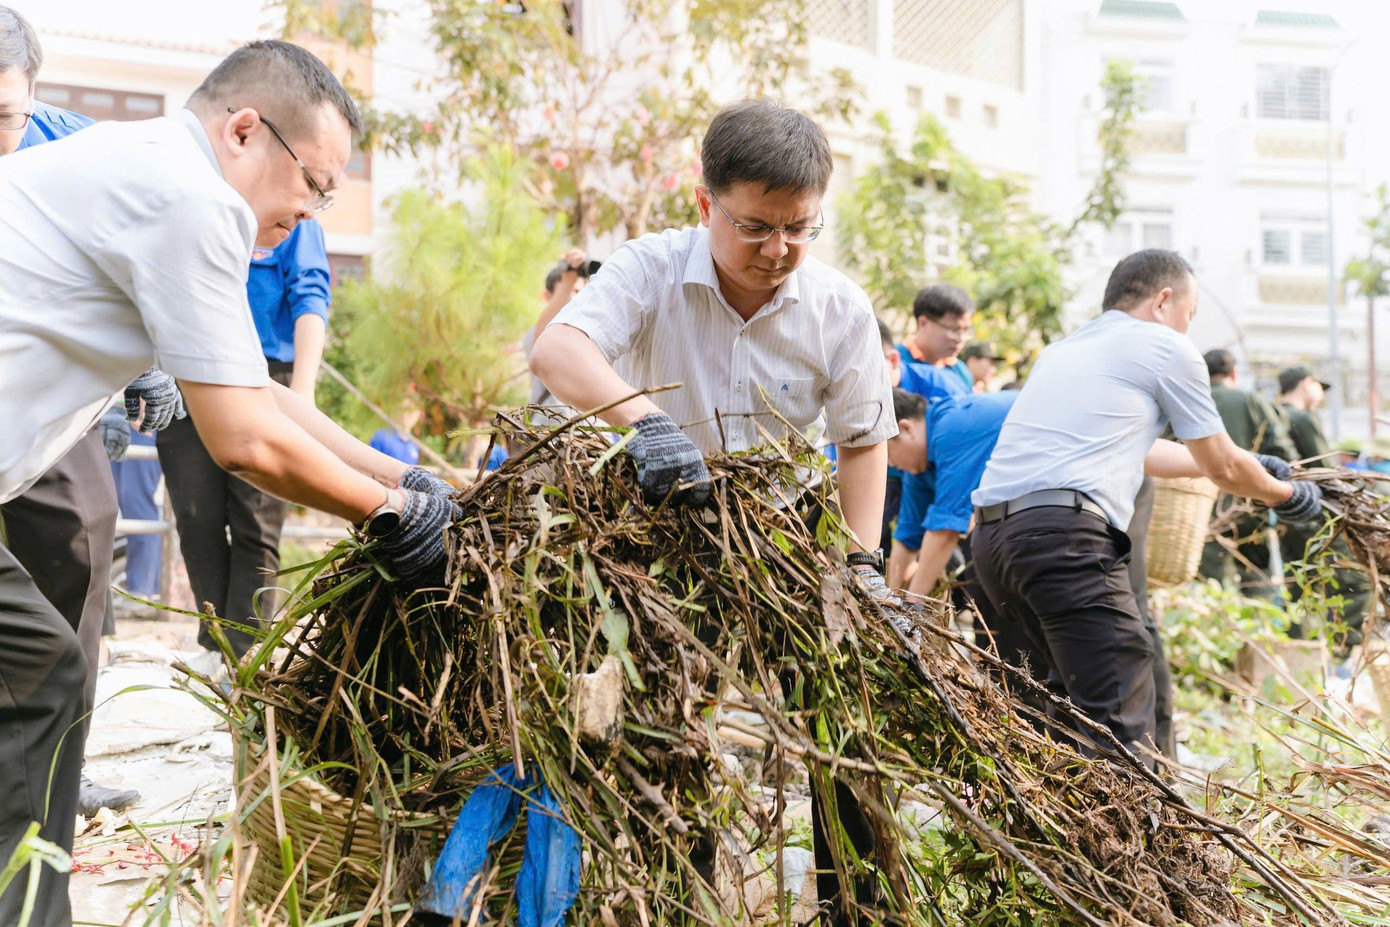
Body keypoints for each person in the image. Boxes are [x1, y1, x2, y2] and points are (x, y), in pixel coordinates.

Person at [0, 40, 459, 925]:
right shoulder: (192, 197)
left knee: (34, 671)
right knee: (42, 672)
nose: (311, 210)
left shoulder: (148, 167)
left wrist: (408, 477)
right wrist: (392, 517)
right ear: (245, 129)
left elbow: (264, 396)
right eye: (314, 184)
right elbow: (245, 440)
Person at [530, 99, 895, 926]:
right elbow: (557, 350)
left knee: (848, 724)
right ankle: (675, 901)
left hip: (777, 540)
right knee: (664, 735)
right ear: (706, 204)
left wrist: (862, 567)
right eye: (756, 226)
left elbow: (863, 440)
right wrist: (647, 426)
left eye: (799, 228)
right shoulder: (649, 269)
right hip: (653, 537)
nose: (778, 250)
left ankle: (856, 908)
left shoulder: (838, 308)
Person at [969, 250, 1321, 766]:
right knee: (1120, 716)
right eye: (1189, 316)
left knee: (1068, 712)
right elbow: (1222, 467)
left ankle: (1054, 842)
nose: (1187, 330)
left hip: (995, 545)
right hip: (1064, 540)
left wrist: (1247, 462)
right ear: (1163, 301)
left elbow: (1147, 450)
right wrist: (1285, 496)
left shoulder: (1065, 351)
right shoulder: (1162, 346)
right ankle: (1135, 843)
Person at [0, 4, 162, 818]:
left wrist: (149, 362)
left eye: (2, 115)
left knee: (86, 531)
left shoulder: (76, 146)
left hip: (51, 391)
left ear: (33, 90)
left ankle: (61, 761)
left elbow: (139, 254)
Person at [157, 217, 332, 663]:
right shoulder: (196, 196)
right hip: (188, 369)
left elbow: (310, 296)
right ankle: (216, 644)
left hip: (265, 375)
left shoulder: (294, 212)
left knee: (256, 520)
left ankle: (246, 651)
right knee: (196, 517)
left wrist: (304, 393)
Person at [886, 388, 1016, 599]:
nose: (891, 464)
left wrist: (912, 605)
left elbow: (945, 529)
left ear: (906, 428)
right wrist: (888, 599)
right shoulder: (919, 465)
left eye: (888, 454)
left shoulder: (952, 429)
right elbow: (908, 535)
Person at [1278, 365, 1370, 654]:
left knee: (1298, 587)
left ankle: (1298, 654)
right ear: (1307, 383)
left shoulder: (1271, 413)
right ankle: (1344, 655)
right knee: (1357, 583)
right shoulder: (1302, 417)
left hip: (1284, 515)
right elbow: (1326, 473)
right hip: (1314, 516)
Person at [1198, 349, 1297, 597]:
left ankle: (1218, 628)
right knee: (1255, 577)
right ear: (1234, 373)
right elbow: (1282, 450)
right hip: (1249, 503)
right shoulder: (1251, 400)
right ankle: (1260, 630)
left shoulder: (1193, 401)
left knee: (1210, 583)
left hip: (1202, 507)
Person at [897, 283, 975, 395]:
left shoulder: (961, 372)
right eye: (954, 330)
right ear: (923, 323)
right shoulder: (896, 362)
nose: (960, 339)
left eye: (965, 330)